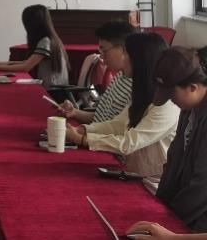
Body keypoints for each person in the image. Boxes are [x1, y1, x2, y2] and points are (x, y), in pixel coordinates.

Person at [65, 32, 179, 181]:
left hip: (155, 182)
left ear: (141, 61)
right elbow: (118, 124)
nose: (122, 59)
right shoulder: (143, 92)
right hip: (133, 172)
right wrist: (83, 130)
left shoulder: (167, 104)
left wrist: (83, 139)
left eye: (126, 55)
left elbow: (129, 143)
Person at [126, 47, 207, 235]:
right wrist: (159, 207)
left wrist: (170, 223)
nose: (170, 100)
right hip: (186, 210)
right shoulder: (189, 108)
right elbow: (173, 162)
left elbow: (202, 186)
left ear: (193, 87)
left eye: (172, 95)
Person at [57, 21, 135, 124]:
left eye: (104, 50)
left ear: (123, 49)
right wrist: (74, 112)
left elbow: (116, 129)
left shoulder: (137, 88)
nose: (101, 56)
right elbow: (101, 117)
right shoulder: (120, 76)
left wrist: (82, 133)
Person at [0, 4, 69, 88]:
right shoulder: (51, 38)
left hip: (53, 91)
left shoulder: (45, 41)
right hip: (54, 87)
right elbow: (26, 62)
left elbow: (25, 67)